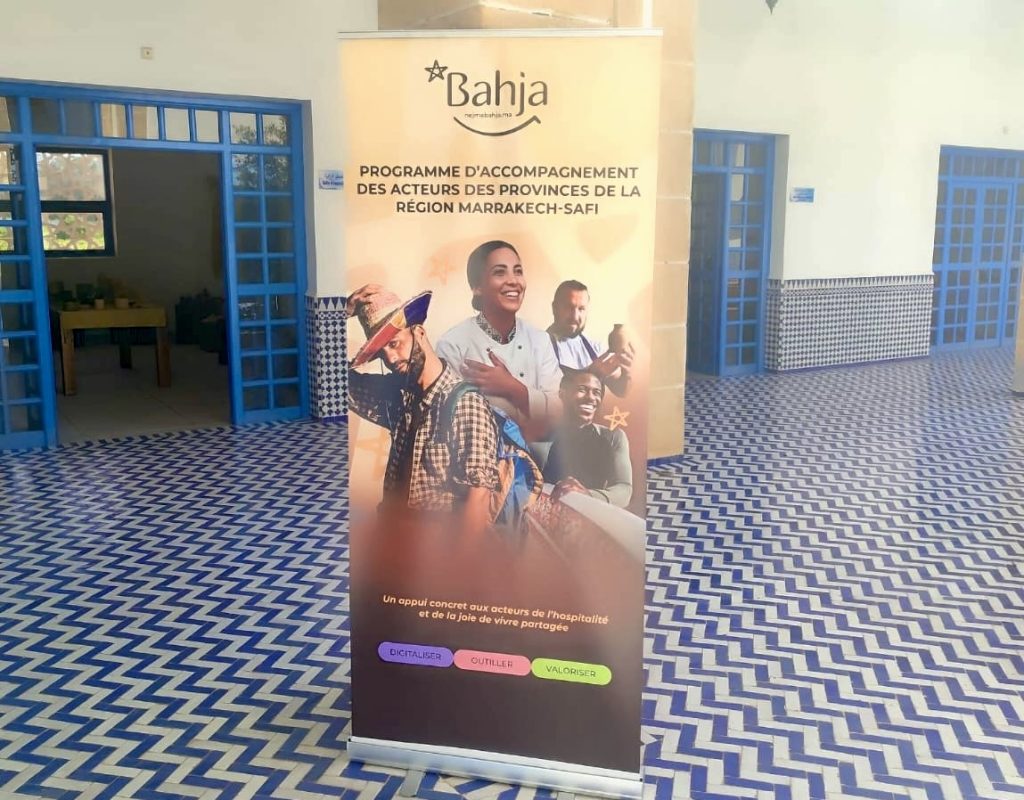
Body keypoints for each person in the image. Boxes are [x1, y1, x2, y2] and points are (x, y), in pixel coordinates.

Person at [346, 283, 498, 534]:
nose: (391, 359)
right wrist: (338, 314)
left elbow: (478, 500)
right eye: (382, 354)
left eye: (394, 344)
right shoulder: (398, 397)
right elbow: (332, 383)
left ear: (419, 332)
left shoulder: (465, 403)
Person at [435, 240, 562, 438]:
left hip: (542, 452)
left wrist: (512, 388)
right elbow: (448, 419)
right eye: (500, 272)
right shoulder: (453, 345)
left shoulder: (540, 340)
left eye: (518, 271)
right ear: (477, 287)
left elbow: (559, 411)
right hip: (478, 452)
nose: (513, 281)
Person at [542, 368, 632, 508]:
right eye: (582, 389)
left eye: (596, 392)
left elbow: (624, 490)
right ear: (562, 394)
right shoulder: (542, 437)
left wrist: (587, 495)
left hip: (593, 514)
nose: (590, 398)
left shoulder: (613, 437)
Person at [547, 279, 633, 397]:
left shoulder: (595, 348)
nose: (575, 316)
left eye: (581, 309)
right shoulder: (539, 347)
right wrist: (593, 375)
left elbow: (621, 391)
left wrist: (626, 371)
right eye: (568, 307)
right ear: (554, 308)